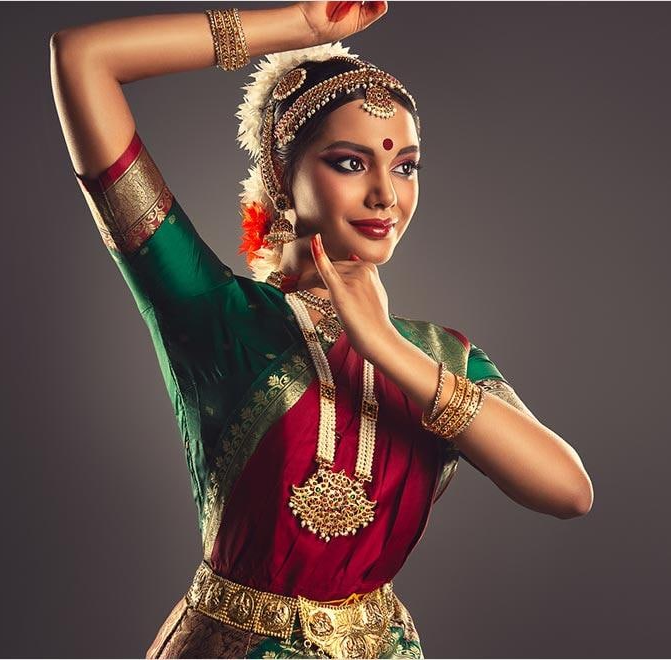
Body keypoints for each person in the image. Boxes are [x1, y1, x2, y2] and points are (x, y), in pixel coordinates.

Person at [50, 3, 593, 657]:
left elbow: (569, 492)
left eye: (405, 166)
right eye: (349, 162)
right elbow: (84, 60)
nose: (386, 195)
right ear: (283, 177)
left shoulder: (436, 355)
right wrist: (302, 29)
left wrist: (384, 345)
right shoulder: (216, 315)